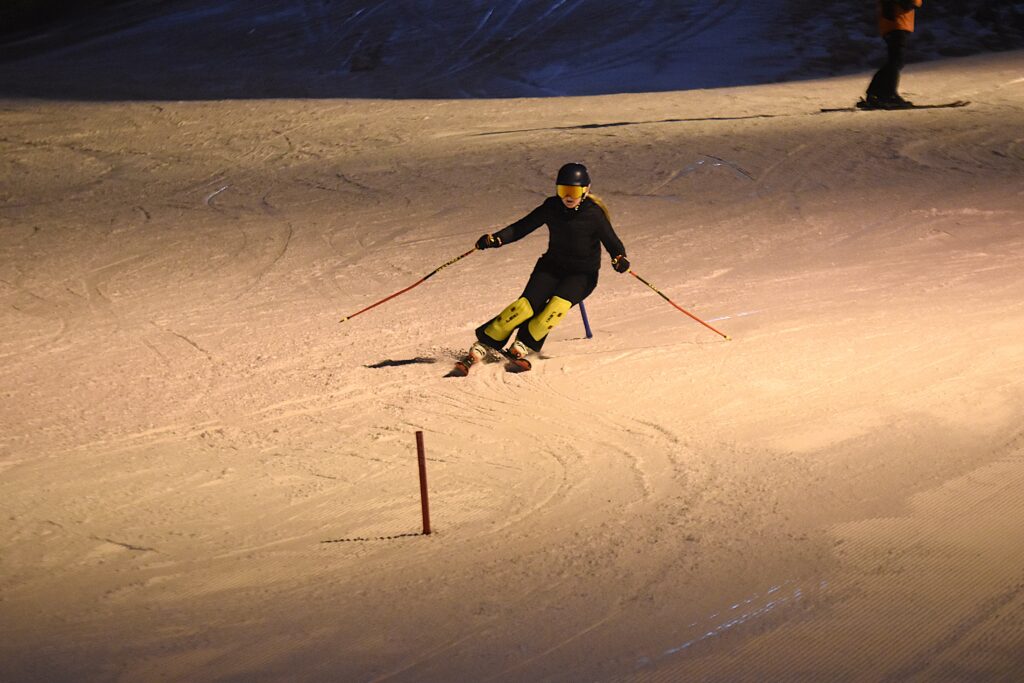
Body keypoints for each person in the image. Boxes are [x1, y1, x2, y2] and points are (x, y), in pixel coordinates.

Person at [460, 162, 629, 371]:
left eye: (574, 191)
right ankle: (487, 342)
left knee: (555, 308)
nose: (568, 196)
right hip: (551, 267)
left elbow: (613, 242)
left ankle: (524, 343)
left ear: (586, 190)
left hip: (582, 275)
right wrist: (497, 238)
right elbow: (522, 227)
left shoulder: (594, 214)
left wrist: (619, 258)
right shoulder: (552, 207)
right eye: (563, 190)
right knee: (523, 308)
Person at [865, 0, 923, 109]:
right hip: (897, 24)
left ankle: (875, 93)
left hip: (893, 24)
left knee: (894, 61)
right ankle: (888, 94)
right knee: (896, 61)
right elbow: (912, 3)